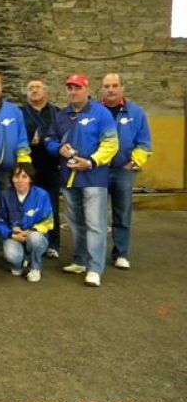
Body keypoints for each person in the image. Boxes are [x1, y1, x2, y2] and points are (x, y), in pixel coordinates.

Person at [46, 74, 118, 287]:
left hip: (93, 178)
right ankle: (80, 260)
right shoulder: (61, 115)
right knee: (76, 223)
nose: (73, 92)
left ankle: (94, 269)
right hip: (69, 179)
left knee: (95, 225)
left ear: (87, 90)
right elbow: (50, 139)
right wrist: (59, 148)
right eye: (70, 88)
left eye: (77, 88)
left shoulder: (101, 113)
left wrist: (91, 162)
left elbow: (111, 144)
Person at [101, 72, 152, 270]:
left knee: (122, 214)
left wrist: (133, 163)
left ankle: (121, 253)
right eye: (107, 86)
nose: (110, 90)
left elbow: (144, 143)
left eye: (115, 85)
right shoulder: (95, 111)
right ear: (102, 89)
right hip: (98, 171)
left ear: (122, 88)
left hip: (123, 171)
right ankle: (96, 254)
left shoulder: (136, 113)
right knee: (96, 215)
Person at [0, 163, 54, 283]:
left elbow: (48, 221)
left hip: (34, 236)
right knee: (11, 254)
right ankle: (18, 264)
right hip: (14, 236)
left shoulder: (42, 195)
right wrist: (11, 234)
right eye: (16, 176)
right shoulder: (4, 195)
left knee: (35, 238)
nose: (20, 180)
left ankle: (35, 267)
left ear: (30, 179)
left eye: (24, 176)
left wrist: (30, 232)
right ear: (12, 179)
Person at [22, 79, 62, 258]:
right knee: (28, 206)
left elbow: (63, 135)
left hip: (51, 166)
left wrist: (45, 138)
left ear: (46, 92)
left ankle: (53, 244)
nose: (34, 90)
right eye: (30, 88)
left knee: (51, 206)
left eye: (38, 87)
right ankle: (28, 243)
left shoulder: (57, 113)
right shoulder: (20, 113)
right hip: (27, 167)